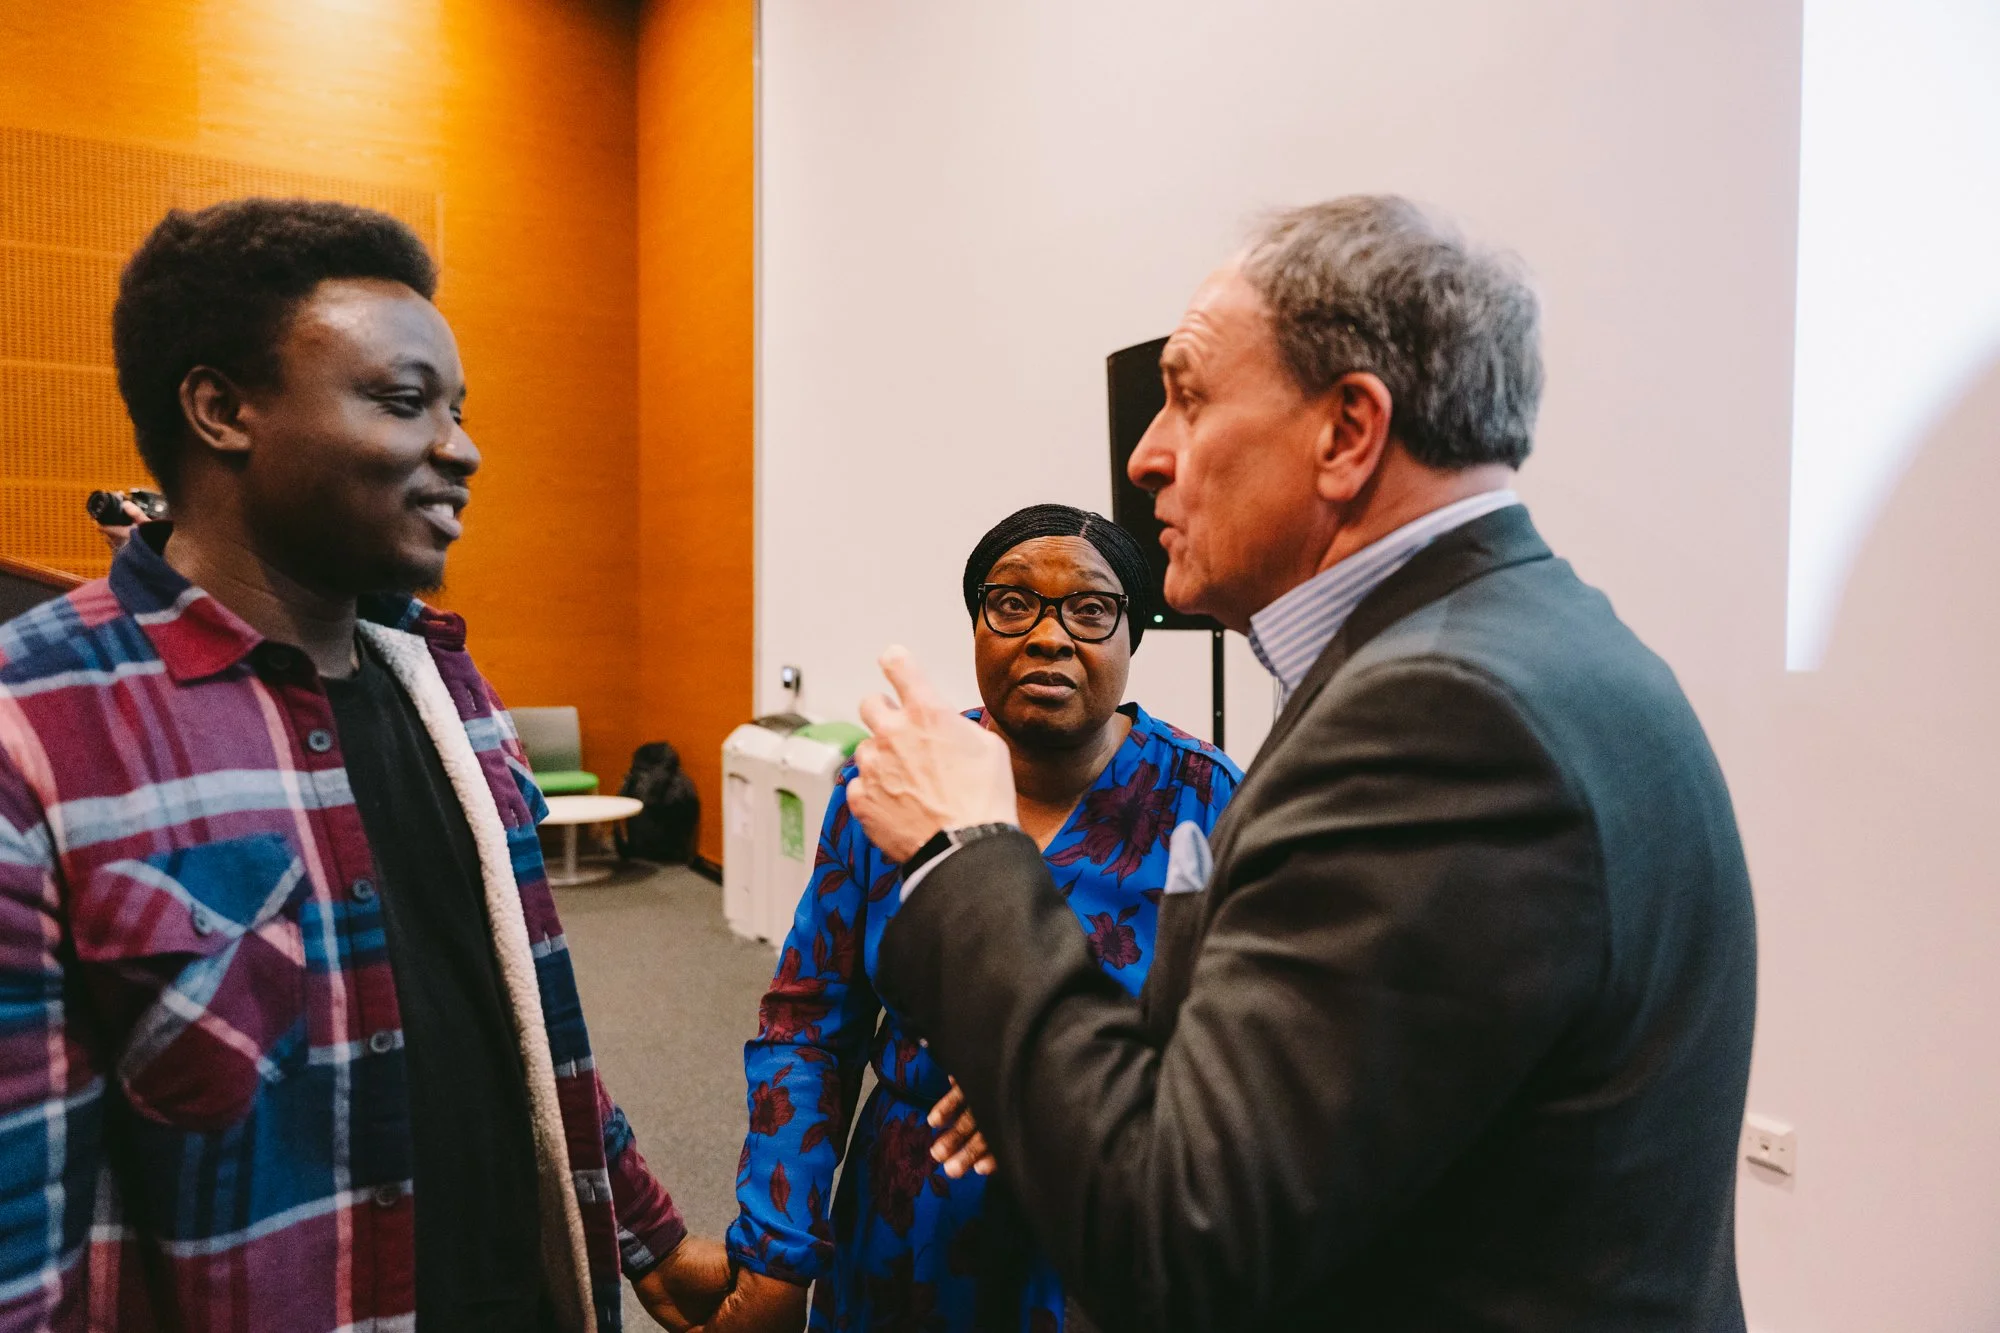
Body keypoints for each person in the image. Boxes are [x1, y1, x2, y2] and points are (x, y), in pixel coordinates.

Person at [841, 196, 1759, 1331]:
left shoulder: (1441, 720)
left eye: (1187, 395)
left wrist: (963, 850)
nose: (1145, 457)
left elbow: (1177, 1241)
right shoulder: (1527, 641)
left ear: (1345, 433)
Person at [0, 200, 727, 1332]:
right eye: (403, 401)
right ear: (220, 409)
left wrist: (648, 1234)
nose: (462, 448)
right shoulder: (33, 724)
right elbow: (17, 1220)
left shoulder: (444, 681)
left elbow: (524, 1016)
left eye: (458, 409)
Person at [697, 505, 1241, 1332]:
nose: (1050, 636)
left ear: (1134, 635)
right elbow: (806, 1026)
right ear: (977, 626)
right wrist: (778, 1253)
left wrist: (1058, 1092)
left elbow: (1248, 1046)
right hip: (907, 1227)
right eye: (1013, 603)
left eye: (1091, 609)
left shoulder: (1204, 798)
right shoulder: (894, 781)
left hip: (1106, 1226)